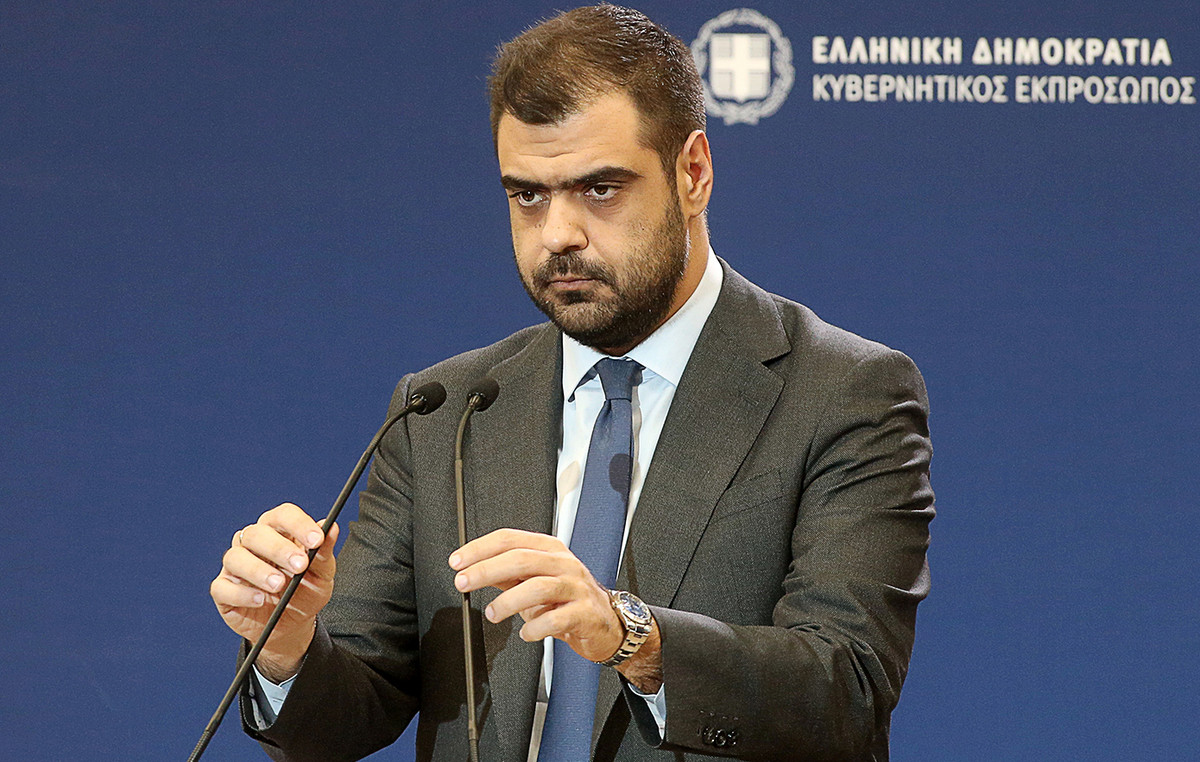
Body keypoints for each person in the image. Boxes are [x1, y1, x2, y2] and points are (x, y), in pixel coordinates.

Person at [209, 5, 934, 761]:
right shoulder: (444, 410)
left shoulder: (845, 392)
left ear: (693, 173)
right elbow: (345, 714)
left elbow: (847, 691)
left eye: (600, 189)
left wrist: (630, 637)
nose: (557, 234)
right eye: (527, 195)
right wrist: (286, 645)